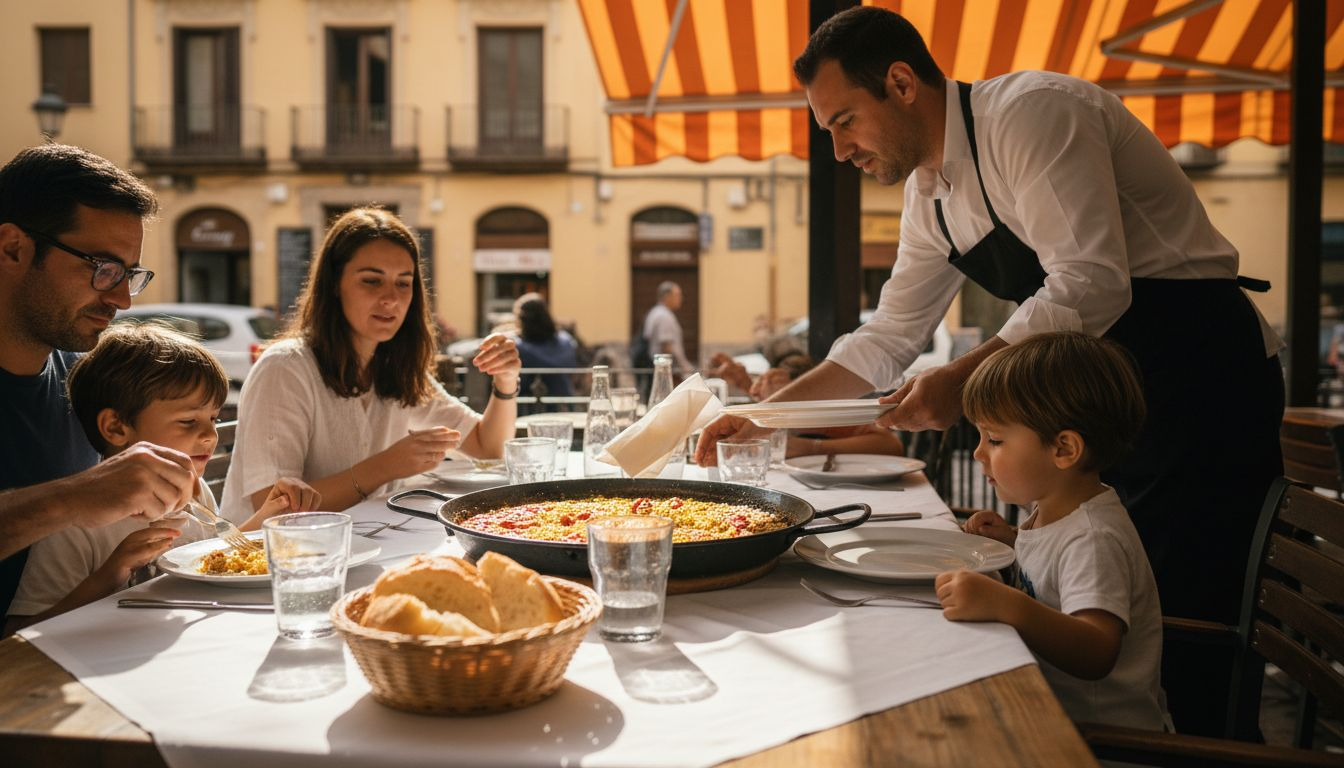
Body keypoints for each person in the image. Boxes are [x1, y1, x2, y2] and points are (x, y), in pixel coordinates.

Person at [695, 7, 1283, 734]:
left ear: (903, 83)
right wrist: (763, 419)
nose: (840, 150)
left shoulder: (1033, 114)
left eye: (845, 121)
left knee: (1191, 620)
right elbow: (888, 336)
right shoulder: (929, 197)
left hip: (1199, 382)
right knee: (1125, 603)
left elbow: (1091, 281)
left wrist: (965, 379)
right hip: (1101, 401)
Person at [5, 324, 320, 631]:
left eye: (213, 418)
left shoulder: (195, 494)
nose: (210, 435)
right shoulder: (74, 524)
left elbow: (213, 561)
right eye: (187, 421)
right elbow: (21, 633)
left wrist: (270, 513)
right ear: (116, 428)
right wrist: (113, 573)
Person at [220, 207, 520, 521]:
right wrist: (386, 466)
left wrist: (506, 382)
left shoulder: (394, 367)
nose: (391, 298)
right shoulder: (285, 368)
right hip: (273, 562)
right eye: (372, 281)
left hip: (372, 545)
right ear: (335, 284)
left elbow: (488, 447)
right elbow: (272, 508)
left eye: (403, 283)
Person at [0, 144, 198, 619]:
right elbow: (81, 503)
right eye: (103, 269)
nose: (123, 300)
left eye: (129, 274)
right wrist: (72, 498)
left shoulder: (84, 377)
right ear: (13, 249)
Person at [937, 332, 1164, 731]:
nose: (977, 452)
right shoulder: (1058, 512)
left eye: (994, 439)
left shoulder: (1093, 539)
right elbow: (1056, 573)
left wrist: (1008, 604)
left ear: (1064, 449)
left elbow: (1096, 650)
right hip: (1045, 704)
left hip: (1098, 740)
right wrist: (1012, 539)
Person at [708, 351, 904, 458]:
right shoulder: (772, 408)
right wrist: (745, 383)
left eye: (773, 384)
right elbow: (769, 407)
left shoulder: (823, 419)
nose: (759, 390)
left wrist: (809, 447)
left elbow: (891, 445)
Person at [511, 292, 579, 414]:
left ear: (522, 320)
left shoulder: (518, 347)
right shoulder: (566, 341)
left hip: (528, 411)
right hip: (564, 407)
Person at [639, 281, 693, 373]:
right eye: (677, 295)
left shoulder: (655, 312)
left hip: (657, 366)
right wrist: (683, 368)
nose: (681, 298)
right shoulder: (664, 316)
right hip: (665, 370)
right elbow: (667, 347)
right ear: (667, 296)